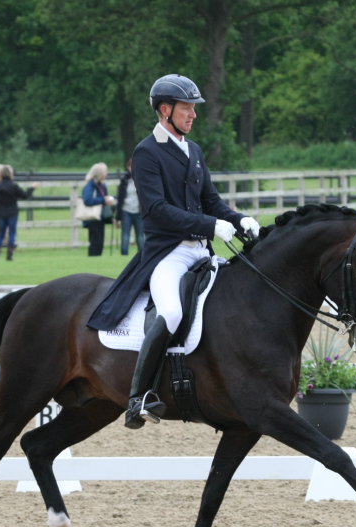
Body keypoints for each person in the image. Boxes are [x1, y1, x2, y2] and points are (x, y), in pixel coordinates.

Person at [86, 73, 260, 429]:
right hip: (167, 253)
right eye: (186, 108)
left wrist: (240, 220)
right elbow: (157, 210)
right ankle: (139, 397)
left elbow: (211, 202)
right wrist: (209, 226)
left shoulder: (193, 151)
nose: (193, 115)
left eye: (194, 108)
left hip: (200, 251)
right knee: (171, 312)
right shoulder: (147, 153)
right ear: (165, 110)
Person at [0, 165, 38, 261]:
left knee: (1, 234)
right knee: (12, 233)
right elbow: (25, 195)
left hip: (1, 213)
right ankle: (9, 256)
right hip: (12, 212)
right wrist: (32, 188)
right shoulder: (13, 186)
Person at [82, 163, 116, 256]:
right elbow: (87, 200)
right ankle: (92, 260)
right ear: (99, 173)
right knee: (95, 243)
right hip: (93, 218)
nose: (106, 174)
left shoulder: (102, 185)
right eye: (104, 172)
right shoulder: (90, 185)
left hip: (100, 218)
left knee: (100, 243)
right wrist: (103, 200)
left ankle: (96, 259)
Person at [115, 159, 144, 255]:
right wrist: (117, 216)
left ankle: (142, 255)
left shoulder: (141, 180)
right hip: (126, 210)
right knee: (125, 235)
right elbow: (120, 199)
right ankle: (124, 254)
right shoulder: (124, 180)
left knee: (140, 236)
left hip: (138, 211)